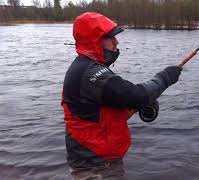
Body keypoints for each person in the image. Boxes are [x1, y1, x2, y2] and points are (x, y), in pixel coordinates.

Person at [61, 12, 182, 180]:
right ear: (95, 40)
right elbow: (136, 95)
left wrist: (137, 105)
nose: (116, 42)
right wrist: (165, 78)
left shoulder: (84, 67)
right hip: (96, 167)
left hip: (96, 163)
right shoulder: (90, 73)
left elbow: (100, 114)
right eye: (111, 37)